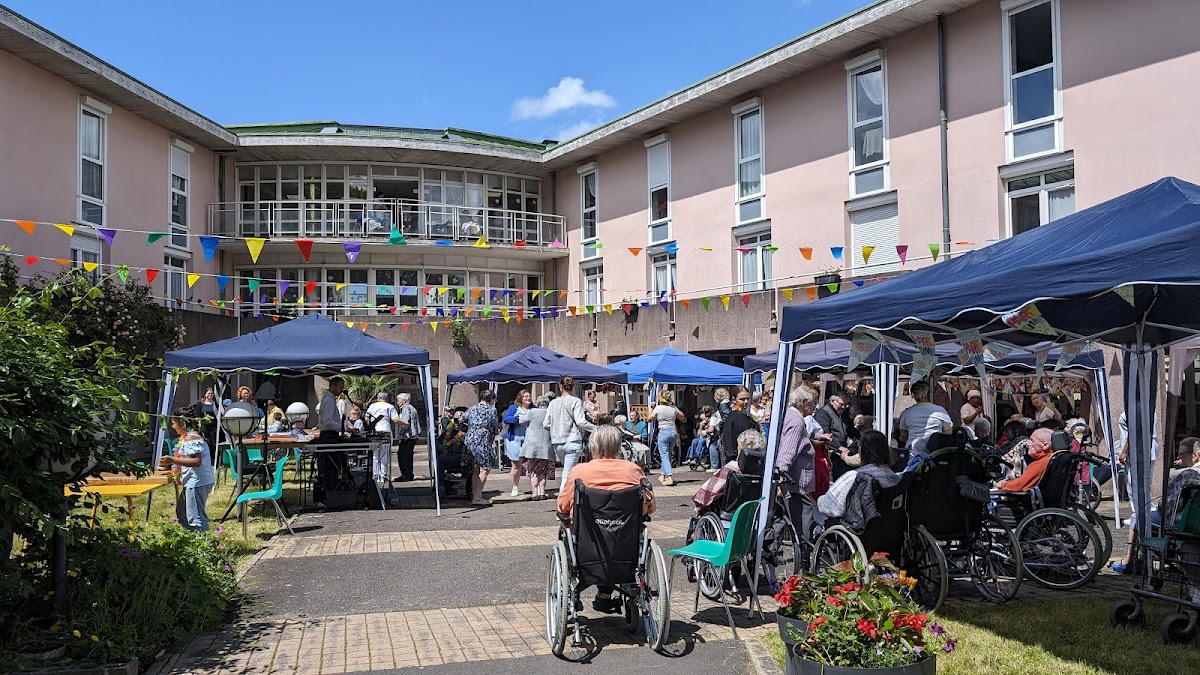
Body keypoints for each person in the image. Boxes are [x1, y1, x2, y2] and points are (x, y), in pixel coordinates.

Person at [556, 425, 655, 614]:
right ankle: (605, 594)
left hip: (587, 547)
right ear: (618, 446)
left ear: (592, 446)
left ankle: (574, 592)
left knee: (568, 529)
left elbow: (563, 506)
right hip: (625, 546)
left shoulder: (580, 472)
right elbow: (649, 506)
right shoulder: (634, 471)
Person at [817, 430, 900, 526]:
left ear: (861, 452)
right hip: (889, 527)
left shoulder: (854, 477)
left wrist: (820, 499)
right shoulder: (894, 477)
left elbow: (828, 507)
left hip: (860, 528)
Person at [158, 404, 216, 532]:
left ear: (182, 423)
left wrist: (172, 459)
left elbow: (196, 461)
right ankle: (191, 540)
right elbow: (187, 459)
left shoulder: (190, 438)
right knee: (182, 513)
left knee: (196, 518)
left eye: (174, 423)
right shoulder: (187, 437)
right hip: (194, 481)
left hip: (197, 482)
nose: (172, 426)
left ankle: (203, 547)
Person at [775, 384, 821, 542]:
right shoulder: (797, 422)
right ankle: (804, 559)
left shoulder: (791, 416)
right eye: (814, 402)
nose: (815, 406)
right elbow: (787, 453)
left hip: (795, 482)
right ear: (804, 402)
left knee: (799, 521)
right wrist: (780, 478)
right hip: (797, 484)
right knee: (803, 523)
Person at [693, 429, 766, 514]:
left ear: (741, 447)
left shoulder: (732, 468)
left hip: (730, 513)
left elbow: (706, 494)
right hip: (756, 513)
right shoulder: (764, 471)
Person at [545, 375, 596, 491]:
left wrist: (556, 428)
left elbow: (545, 423)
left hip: (557, 442)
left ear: (560, 386)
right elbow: (581, 422)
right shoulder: (576, 401)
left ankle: (569, 498)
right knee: (567, 474)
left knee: (567, 472)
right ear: (573, 387)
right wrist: (596, 428)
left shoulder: (553, 403)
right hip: (572, 441)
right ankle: (563, 501)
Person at [896, 381, 953, 457]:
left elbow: (903, 436)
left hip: (913, 455)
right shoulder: (940, 411)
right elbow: (948, 434)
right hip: (935, 454)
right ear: (929, 394)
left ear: (913, 395)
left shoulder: (906, 413)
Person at [465, 390, 500, 506]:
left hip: (470, 440)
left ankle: (475, 495)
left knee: (475, 469)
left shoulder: (472, 408)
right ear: (491, 399)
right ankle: (478, 497)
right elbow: (494, 426)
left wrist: (470, 430)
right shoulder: (491, 409)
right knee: (485, 468)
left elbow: (460, 421)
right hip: (483, 440)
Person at [522, 395, 555, 501]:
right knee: (543, 471)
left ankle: (534, 493)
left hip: (533, 446)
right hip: (546, 445)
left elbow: (522, 420)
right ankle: (542, 492)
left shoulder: (532, 412)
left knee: (533, 471)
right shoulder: (551, 413)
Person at [649, 390, 686, 486]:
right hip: (673, 432)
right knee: (668, 454)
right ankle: (662, 474)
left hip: (663, 431)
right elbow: (682, 417)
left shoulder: (658, 408)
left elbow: (649, 419)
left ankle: (669, 476)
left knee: (664, 455)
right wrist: (674, 406)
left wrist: (652, 409)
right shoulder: (673, 408)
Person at [815, 392, 853, 481]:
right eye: (842, 404)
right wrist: (839, 447)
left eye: (846, 405)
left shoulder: (842, 414)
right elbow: (825, 435)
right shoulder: (823, 414)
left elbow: (851, 430)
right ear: (832, 401)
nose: (844, 407)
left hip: (843, 451)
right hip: (830, 453)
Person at [503, 390, 533, 497]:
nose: (528, 398)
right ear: (520, 398)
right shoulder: (514, 408)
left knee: (532, 465)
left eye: (529, 396)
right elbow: (506, 419)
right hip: (515, 438)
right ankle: (515, 486)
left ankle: (535, 488)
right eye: (525, 396)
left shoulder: (534, 408)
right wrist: (518, 419)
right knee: (516, 465)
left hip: (530, 440)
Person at [721, 386, 758, 467]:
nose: (746, 401)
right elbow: (745, 440)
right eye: (742, 399)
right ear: (734, 400)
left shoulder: (736, 414)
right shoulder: (739, 416)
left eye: (748, 398)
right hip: (740, 459)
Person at [393, 393, 421, 481]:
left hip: (409, 436)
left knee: (403, 455)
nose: (397, 402)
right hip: (412, 436)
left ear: (404, 401)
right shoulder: (411, 407)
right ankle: (409, 474)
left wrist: (396, 421)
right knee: (408, 455)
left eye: (398, 400)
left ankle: (406, 474)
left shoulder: (406, 408)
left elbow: (405, 423)